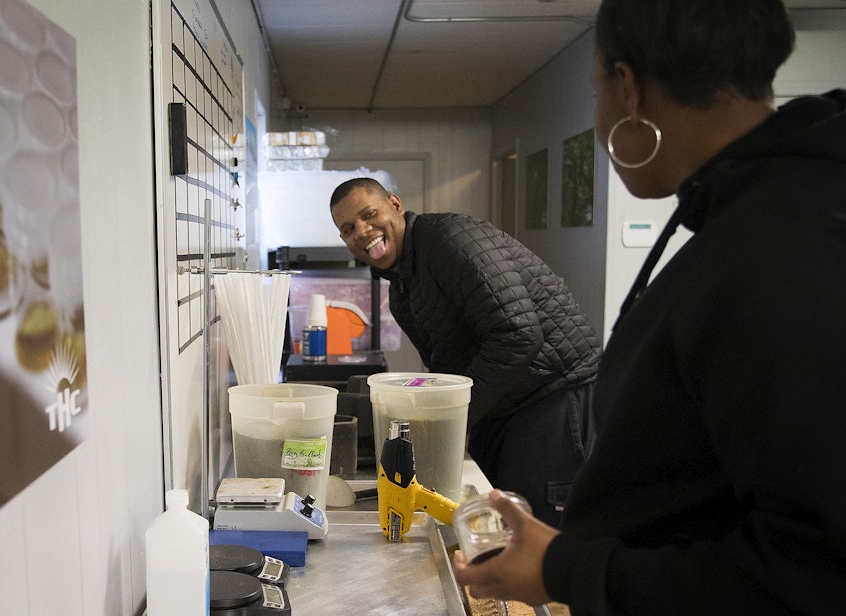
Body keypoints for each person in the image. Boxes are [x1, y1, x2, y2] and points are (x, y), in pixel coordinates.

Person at [452, 0, 846, 614]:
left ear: (628, 87)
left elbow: (811, 576)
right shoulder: (761, 213)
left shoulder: (783, 249)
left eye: (594, 90)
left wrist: (568, 570)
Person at [329, 177, 602, 526]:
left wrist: (457, 418)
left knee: (542, 532)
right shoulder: (402, 286)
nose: (363, 231)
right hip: (508, 405)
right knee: (508, 526)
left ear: (395, 205)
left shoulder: (447, 241)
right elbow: (444, 366)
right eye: (349, 229)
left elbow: (518, 333)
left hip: (553, 397)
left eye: (370, 215)